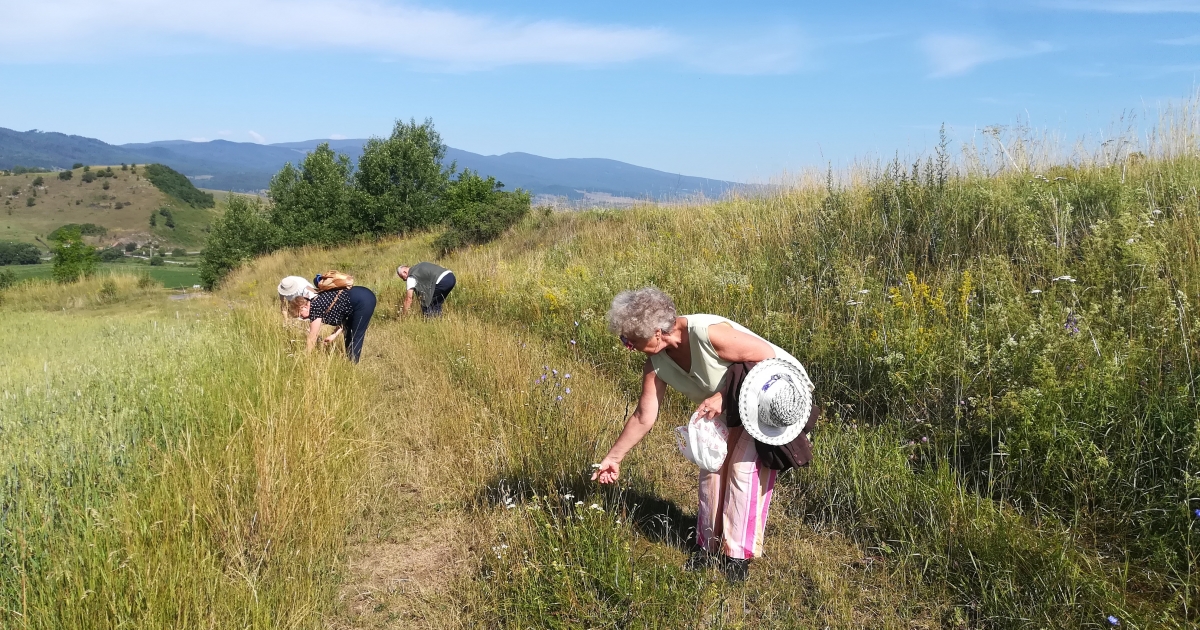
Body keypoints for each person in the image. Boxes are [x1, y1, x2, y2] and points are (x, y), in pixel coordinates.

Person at [591, 287, 807, 582]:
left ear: (656, 333)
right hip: (731, 409)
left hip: (771, 399)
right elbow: (643, 416)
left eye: (630, 339)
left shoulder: (707, 333)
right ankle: (708, 546)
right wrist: (614, 458)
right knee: (712, 468)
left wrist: (722, 396)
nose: (627, 346)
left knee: (742, 471)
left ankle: (737, 556)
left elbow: (766, 357)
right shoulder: (656, 364)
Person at [299, 283, 377, 363]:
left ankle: (353, 365)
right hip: (360, 296)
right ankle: (349, 362)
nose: (302, 318)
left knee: (356, 335)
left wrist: (305, 358)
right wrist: (334, 335)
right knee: (348, 333)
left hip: (363, 300)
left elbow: (312, 336)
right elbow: (344, 319)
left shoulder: (315, 308)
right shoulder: (316, 303)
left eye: (301, 315)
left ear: (304, 307)